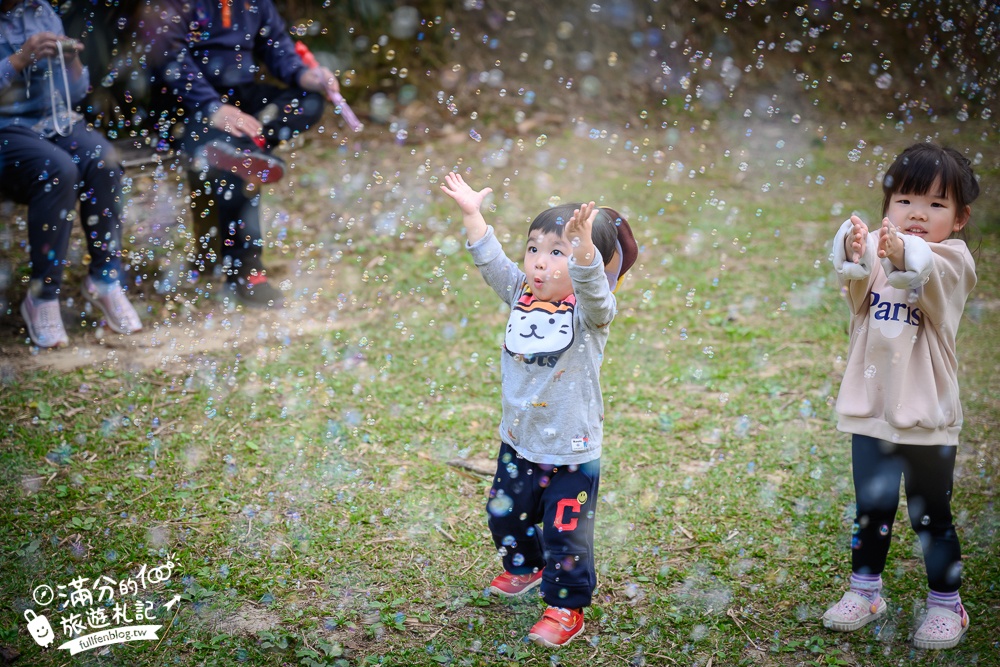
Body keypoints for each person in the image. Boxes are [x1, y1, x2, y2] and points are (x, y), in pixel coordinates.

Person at [440, 172, 637, 648]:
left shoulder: (589, 313)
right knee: (503, 514)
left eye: (558, 253)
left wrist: (587, 250)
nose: (540, 263)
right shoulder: (520, 295)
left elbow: (593, 287)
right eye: (534, 249)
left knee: (565, 534)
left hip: (571, 449)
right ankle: (526, 568)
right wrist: (472, 214)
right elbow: (491, 262)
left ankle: (566, 607)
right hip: (518, 441)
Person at [823, 143, 979, 650]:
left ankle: (946, 605)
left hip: (926, 416)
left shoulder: (953, 261)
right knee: (872, 508)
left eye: (937, 204)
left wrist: (897, 253)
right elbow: (856, 293)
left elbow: (925, 273)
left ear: (959, 219)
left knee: (930, 512)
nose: (918, 213)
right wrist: (853, 248)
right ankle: (865, 591)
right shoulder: (879, 253)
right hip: (873, 411)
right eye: (906, 200)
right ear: (887, 206)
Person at [148, 0, 344, 308]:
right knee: (239, 163)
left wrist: (310, 76)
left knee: (309, 101)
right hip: (185, 106)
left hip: (240, 99)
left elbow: (280, 52)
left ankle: (244, 150)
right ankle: (247, 269)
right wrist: (213, 108)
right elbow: (169, 61)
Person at [0, 0, 142, 348]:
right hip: (6, 132)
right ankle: (42, 296)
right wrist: (19, 59)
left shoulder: (42, 11)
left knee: (104, 159)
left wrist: (72, 60)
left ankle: (105, 280)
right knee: (58, 169)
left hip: (53, 124)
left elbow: (76, 93)